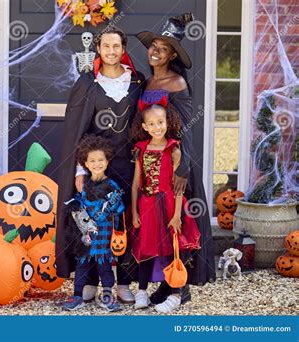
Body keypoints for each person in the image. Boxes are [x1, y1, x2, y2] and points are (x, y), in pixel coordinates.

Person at [56, 26, 145, 304]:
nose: (111, 51)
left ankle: (124, 283)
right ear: (98, 49)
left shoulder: (136, 81)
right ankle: (92, 280)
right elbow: (77, 130)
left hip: (128, 165)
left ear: (123, 48)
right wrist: (81, 169)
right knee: (93, 224)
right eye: (106, 46)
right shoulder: (87, 83)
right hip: (96, 167)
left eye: (116, 46)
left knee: (125, 222)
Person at [135, 13, 216, 305]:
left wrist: (182, 168)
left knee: (176, 226)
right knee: (156, 225)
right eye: (153, 46)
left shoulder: (176, 82)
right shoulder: (146, 82)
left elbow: (186, 130)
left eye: (163, 48)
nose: (155, 51)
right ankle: (165, 284)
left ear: (172, 55)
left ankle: (181, 287)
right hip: (152, 163)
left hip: (174, 164)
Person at [130, 103, 200, 313]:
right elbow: (136, 183)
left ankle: (176, 295)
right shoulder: (140, 149)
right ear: (144, 126)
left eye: (160, 122)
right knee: (145, 249)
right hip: (146, 206)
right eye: (151, 124)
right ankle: (141, 292)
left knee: (172, 249)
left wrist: (177, 215)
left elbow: (178, 187)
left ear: (167, 123)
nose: (157, 127)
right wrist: (134, 211)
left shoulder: (174, 149)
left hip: (169, 205)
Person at [63, 135, 125, 312]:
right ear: (86, 164)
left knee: (105, 267)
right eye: (92, 161)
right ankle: (77, 297)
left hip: (104, 235)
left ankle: (107, 296)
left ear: (107, 161)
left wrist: (108, 209)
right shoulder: (84, 186)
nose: (97, 164)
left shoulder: (112, 186)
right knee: (81, 266)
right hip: (86, 236)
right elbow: (80, 207)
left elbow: (119, 208)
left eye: (100, 160)